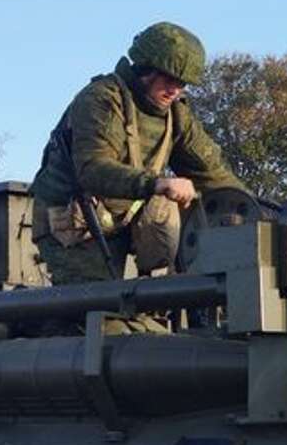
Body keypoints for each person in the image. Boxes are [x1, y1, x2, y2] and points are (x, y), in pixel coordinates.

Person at [29, 21, 242, 284]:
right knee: (94, 312)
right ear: (145, 69)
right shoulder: (103, 99)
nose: (175, 89)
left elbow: (214, 175)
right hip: (70, 224)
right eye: (169, 78)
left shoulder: (176, 115)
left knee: (149, 302)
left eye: (182, 83)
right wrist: (156, 183)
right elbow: (93, 169)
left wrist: (259, 213)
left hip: (121, 223)